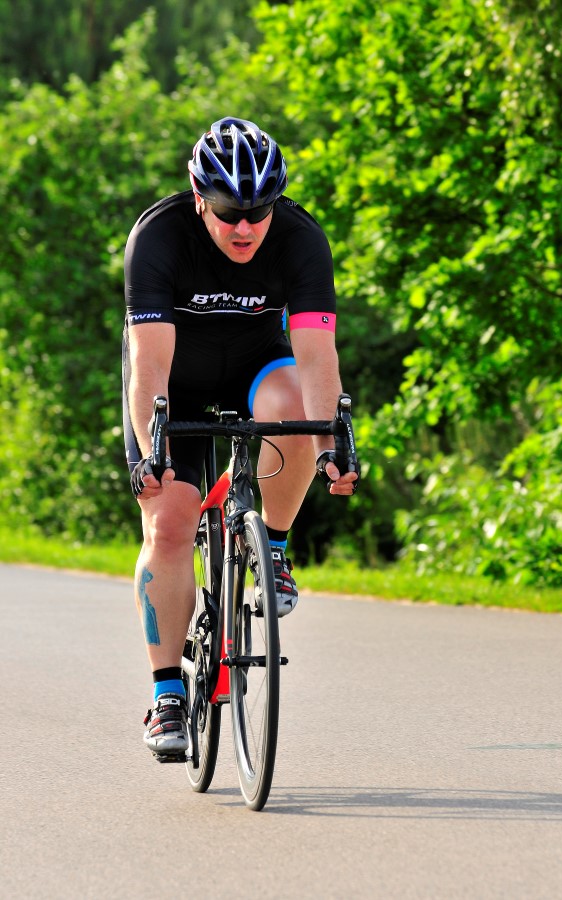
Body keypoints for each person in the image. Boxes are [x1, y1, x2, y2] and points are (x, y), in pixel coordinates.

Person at [122, 117, 358, 757]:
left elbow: (316, 358)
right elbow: (150, 363)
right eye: (229, 213)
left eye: (259, 211)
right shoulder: (159, 236)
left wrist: (331, 446)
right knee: (169, 522)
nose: (246, 228)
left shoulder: (301, 238)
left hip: (256, 364)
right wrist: (152, 453)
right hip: (174, 380)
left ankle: (272, 548)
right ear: (201, 198)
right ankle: (167, 696)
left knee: (298, 413)